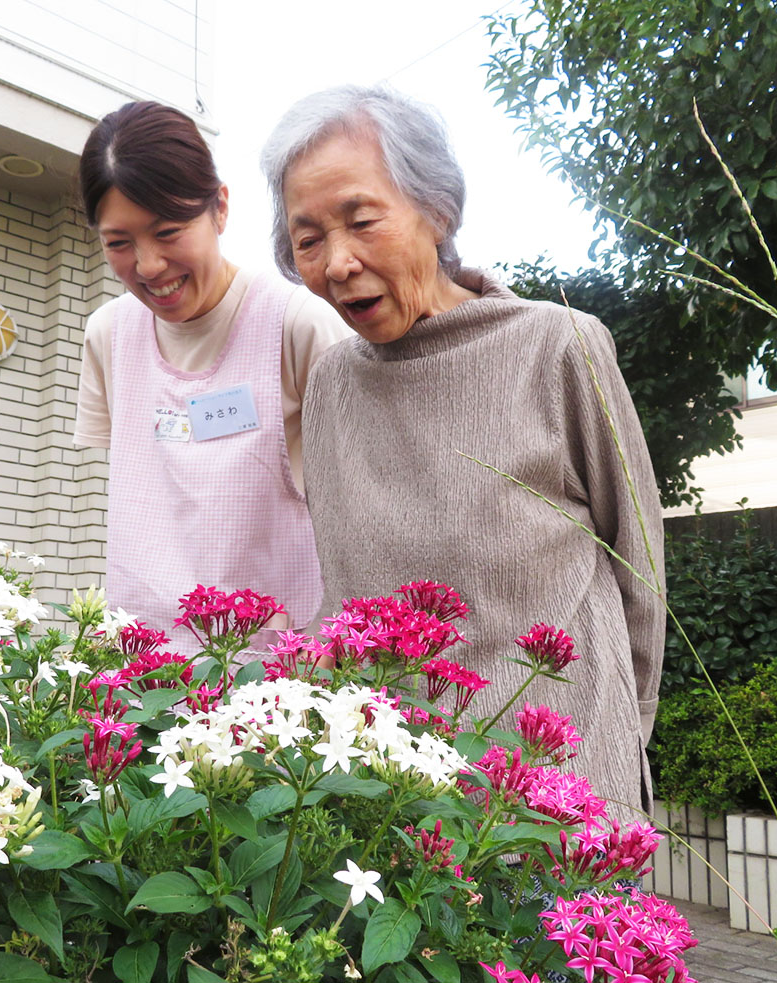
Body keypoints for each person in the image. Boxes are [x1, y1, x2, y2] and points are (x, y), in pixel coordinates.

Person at [260, 85, 666, 820]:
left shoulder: (558, 346)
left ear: (438, 210)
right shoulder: (329, 386)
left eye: (361, 219)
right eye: (308, 238)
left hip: (562, 797)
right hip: (400, 808)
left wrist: (623, 741)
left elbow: (640, 566)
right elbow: (345, 588)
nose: (339, 262)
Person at [74, 100, 348, 651]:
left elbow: (360, 500)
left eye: (169, 231)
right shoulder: (107, 334)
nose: (148, 266)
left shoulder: (295, 325)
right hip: (144, 673)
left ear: (219, 209)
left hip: (273, 677)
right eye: (118, 243)